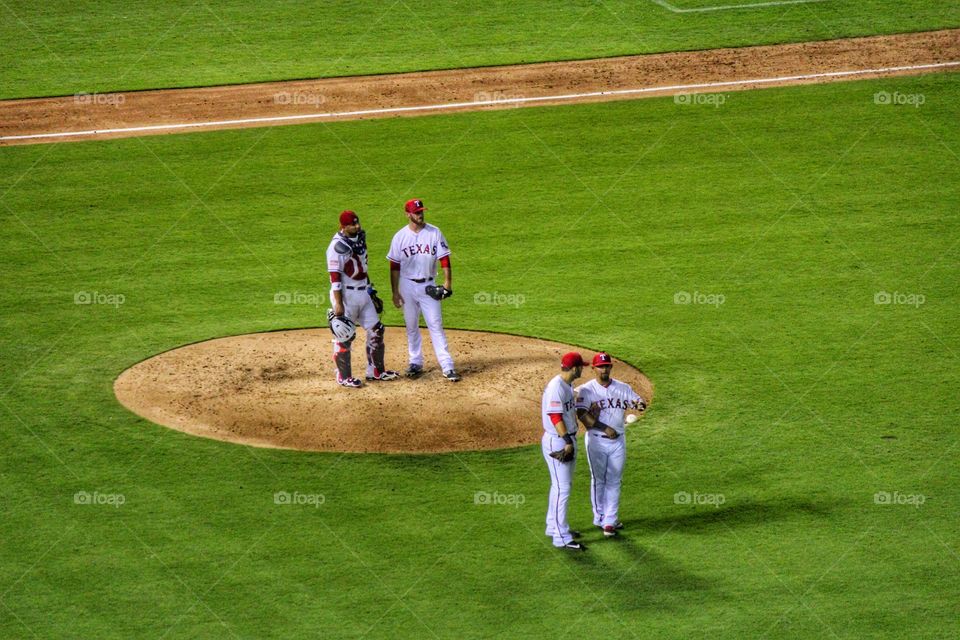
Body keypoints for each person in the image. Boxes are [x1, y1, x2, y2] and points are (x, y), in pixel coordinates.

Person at [386, 198, 460, 381]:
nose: (420, 215)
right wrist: (395, 292)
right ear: (408, 214)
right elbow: (394, 266)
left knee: (435, 325)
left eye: (421, 211)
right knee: (411, 325)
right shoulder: (399, 237)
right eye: (417, 212)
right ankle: (415, 362)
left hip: (428, 285)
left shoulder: (434, 232)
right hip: (407, 285)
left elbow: (444, 259)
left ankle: (447, 365)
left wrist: (447, 283)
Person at [576, 352, 647, 536]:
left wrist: (639, 405)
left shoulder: (622, 388)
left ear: (611, 367)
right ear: (594, 368)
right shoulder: (586, 390)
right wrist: (605, 428)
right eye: (600, 366)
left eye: (607, 366)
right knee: (599, 480)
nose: (604, 369)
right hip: (596, 442)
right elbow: (583, 416)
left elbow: (639, 401)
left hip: (618, 442)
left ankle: (610, 521)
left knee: (615, 480)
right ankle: (599, 517)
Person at [326, 210, 399, 388]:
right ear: (343, 227)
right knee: (345, 336)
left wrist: (370, 290)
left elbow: (363, 269)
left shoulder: (359, 239)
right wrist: (338, 304)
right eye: (353, 224)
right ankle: (343, 376)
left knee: (377, 329)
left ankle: (376, 371)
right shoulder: (336, 247)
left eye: (358, 223)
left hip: (362, 292)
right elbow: (334, 278)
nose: (357, 227)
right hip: (346, 296)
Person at [542, 352, 588, 551]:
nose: (583, 369)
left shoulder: (566, 385)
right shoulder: (556, 388)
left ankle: (554, 527)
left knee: (560, 486)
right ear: (575, 368)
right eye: (581, 366)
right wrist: (567, 442)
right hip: (559, 440)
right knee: (563, 488)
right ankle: (561, 537)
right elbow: (555, 417)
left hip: (563, 438)